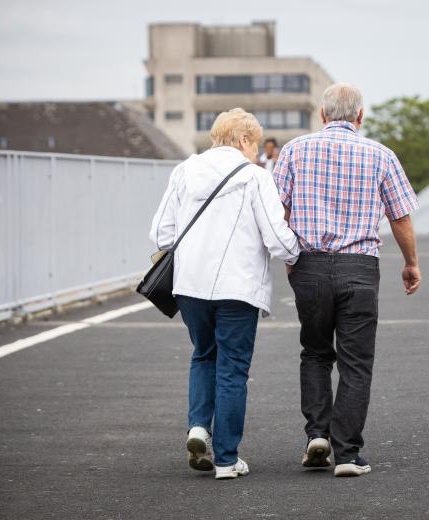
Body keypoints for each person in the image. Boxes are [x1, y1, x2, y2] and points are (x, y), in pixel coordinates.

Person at [273, 83, 421, 478]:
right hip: (359, 266)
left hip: (309, 266)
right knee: (356, 362)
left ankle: (317, 434)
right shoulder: (381, 155)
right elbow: (401, 217)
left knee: (316, 351)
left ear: (322, 114)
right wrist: (411, 263)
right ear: (360, 116)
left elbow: (276, 211)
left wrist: (291, 256)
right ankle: (348, 454)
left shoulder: (294, 150)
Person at [149, 108, 299, 480]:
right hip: (238, 287)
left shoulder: (184, 170)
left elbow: (161, 235)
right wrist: (299, 253)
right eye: (253, 143)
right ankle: (227, 460)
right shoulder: (255, 177)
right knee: (233, 369)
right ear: (244, 140)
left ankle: (199, 428)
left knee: (203, 355)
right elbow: (277, 238)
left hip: (190, 287)